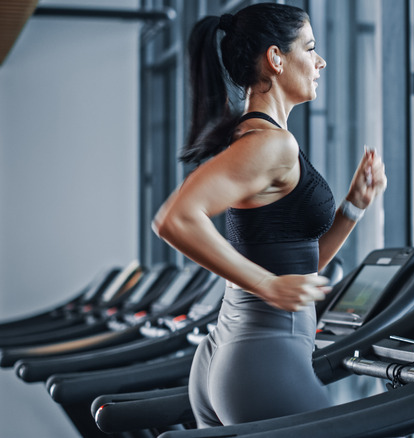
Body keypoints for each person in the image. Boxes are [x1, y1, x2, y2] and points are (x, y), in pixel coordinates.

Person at [152, 3, 386, 427]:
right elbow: (174, 219)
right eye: (310, 48)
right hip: (260, 360)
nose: (321, 61)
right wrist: (267, 285)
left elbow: (298, 266)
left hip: (233, 358)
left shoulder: (261, 139)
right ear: (276, 58)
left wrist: (353, 208)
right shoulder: (269, 145)